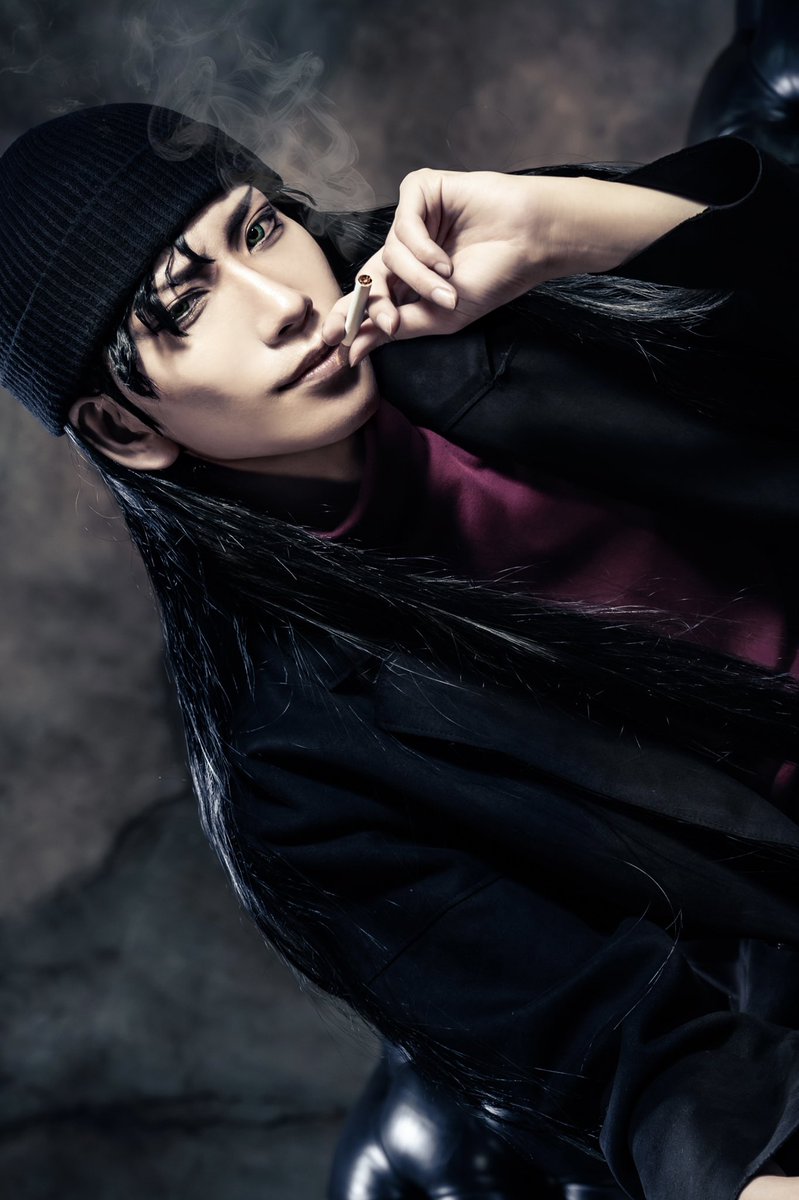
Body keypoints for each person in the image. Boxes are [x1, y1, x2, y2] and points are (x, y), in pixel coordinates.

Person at [2, 5, 799, 1198]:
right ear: (125, 428)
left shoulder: (479, 273)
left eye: (258, 228)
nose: (278, 299)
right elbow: (627, 1052)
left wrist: (574, 227)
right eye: (186, 305)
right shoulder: (290, 771)